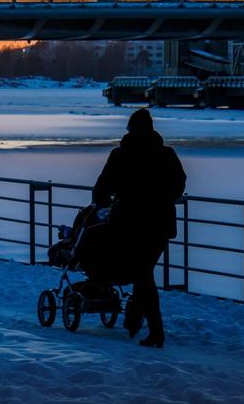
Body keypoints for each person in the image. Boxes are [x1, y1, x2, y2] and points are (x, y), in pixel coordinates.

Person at [92, 108, 186, 348]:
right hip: (161, 224)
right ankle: (137, 320)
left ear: (130, 130)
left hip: (129, 223)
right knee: (143, 273)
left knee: (142, 275)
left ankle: (152, 329)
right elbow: (179, 184)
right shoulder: (166, 154)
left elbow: (102, 188)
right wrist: (162, 198)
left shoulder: (121, 155)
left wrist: (104, 202)